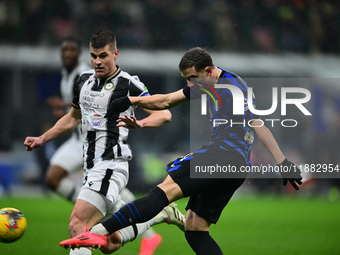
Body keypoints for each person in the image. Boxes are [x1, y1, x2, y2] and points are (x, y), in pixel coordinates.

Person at [59, 47, 303, 255]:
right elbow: (166, 101)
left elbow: (257, 122)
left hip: (223, 155)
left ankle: (96, 233)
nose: (189, 84)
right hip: (236, 167)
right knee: (195, 228)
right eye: (186, 79)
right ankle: (142, 221)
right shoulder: (207, 83)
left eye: (192, 77)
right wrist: (134, 103)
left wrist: (282, 162)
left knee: (162, 193)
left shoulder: (233, 87)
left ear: (208, 71)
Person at [24, 30, 185, 255]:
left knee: (77, 225)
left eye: (103, 56)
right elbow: (73, 118)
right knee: (110, 243)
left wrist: (140, 124)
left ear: (115, 54)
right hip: (91, 169)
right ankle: (161, 215)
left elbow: (164, 114)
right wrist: (43, 138)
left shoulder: (128, 84)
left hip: (111, 165)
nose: (98, 61)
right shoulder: (84, 81)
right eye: (93, 56)